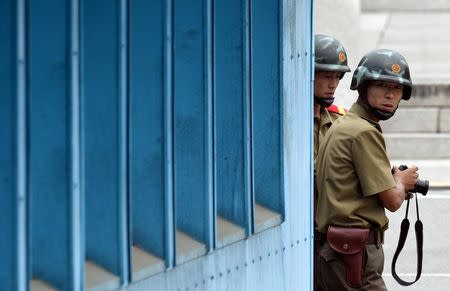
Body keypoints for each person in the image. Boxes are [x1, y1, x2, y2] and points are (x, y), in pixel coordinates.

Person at [315, 49, 420, 291]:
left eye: (396, 88)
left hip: (342, 251)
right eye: (382, 85)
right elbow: (393, 201)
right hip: (354, 253)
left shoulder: (344, 124)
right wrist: (402, 182)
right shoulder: (363, 132)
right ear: (363, 86)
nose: (390, 95)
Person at [313, 34, 351, 291]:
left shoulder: (341, 121)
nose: (333, 84)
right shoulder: (289, 120)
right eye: (326, 75)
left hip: (334, 237)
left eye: (338, 77)